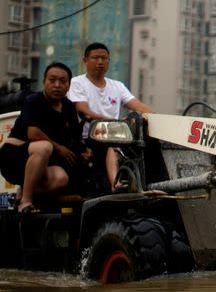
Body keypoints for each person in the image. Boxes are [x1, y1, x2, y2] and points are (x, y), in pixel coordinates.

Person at [0, 62, 91, 213]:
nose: (57, 85)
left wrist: (84, 151)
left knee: (61, 178)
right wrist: (59, 147)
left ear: (68, 86)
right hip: (14, 157)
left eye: (62, 81)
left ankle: (25, 192)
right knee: (44, 146)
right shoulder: (33, 101)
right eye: (52, 80)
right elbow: (33, 134)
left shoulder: (68, 107)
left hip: (43, 164)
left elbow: (75, 137)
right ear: (44, 82)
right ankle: (25, 202)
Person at [67, 42, 153, 188]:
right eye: (95, 58)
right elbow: (83, 110)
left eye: (104, 58)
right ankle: (115, 184)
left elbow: (138, 106)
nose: (100, 62)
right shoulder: (77, 83)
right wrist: (116, 122)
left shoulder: (117, 86)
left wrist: (157, 117)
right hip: (89, 139)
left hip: (115, 136)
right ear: (85, 61)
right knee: (114, 142)